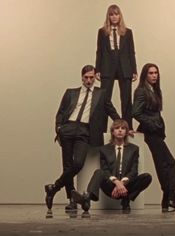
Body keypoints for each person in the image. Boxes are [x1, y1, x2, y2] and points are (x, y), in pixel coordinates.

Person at [44, 65, 120, 211]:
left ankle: (53, 188)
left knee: (78, 163)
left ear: (95, 78)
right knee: (67, 165)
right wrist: (59, 127)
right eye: (86, 77)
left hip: (85, 130)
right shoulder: (71, 92)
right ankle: (71, 201)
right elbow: (60, 112)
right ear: (82, 77)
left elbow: (111, 110)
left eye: (91, 77)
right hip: (68, 128)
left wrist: (123, 124)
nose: (89, 80)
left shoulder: (101, 93)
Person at [132, 63, 175, 212]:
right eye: (151, 73)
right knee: (168, 163)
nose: (154, 75)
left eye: (156, 73)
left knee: (165, 164)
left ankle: (168, 199)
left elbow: (153, 112)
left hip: (156, 132)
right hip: (151, 132)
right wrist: (152, 125)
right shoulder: (141, 91)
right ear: (144, 75)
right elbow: (136, 112)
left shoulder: (154, 90)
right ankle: (172, 197)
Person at [71, 119, 152, 213]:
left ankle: (126, 200)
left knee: (147, 177)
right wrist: (117, 183)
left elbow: (134, 171)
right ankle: (87, 199)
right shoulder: (104, 149)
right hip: (110, 186)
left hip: (127, 186)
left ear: (126, 132)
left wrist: (122, 184)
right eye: (117, 128)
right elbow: (105, 170)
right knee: (99, 172)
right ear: (112, 132)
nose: (120, 130)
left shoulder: (134, 149)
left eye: (123, 128)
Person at [95, 4, 137, 130]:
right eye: (111, 14)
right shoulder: (102, 32)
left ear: (120, 16)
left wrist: (134, 70)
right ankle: (102, 129)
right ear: (108, 16)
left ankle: (128, 128)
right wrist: (98, 69)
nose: (114, 17)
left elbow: (131, 51)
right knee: (104, 98)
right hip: (107, 65)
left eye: (116, 14)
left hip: (124, 66)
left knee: (126, 99)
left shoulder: (128, 32)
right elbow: (100, 51)